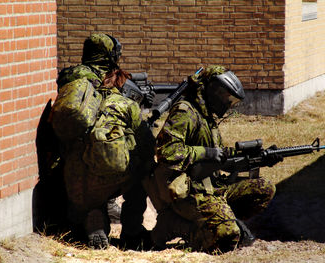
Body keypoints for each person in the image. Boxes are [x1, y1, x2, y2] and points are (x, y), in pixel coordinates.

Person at [147, 65, 278, 252]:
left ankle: (220, 217)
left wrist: (259, 158)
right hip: (190, 193)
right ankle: (174, 224)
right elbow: (167, 152)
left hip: (214, 188)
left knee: (263, 189)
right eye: (225, 95)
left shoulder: (207, 115)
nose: (227, 101)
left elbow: (220, 154)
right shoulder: (185, 111)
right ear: (211, 89)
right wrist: (205, 153)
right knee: (227, 236)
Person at [50, 33, 155, 249]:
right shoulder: (122, 103)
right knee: (143, 168)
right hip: (109, 175)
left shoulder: (71, 85)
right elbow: (147, 146)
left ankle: (92, 213)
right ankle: (132, 231)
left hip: (72, 181)